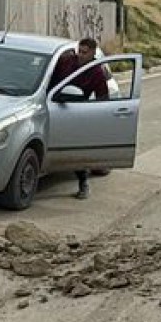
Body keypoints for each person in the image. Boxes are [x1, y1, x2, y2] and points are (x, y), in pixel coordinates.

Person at [49, 37, 112, 200]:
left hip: (77, 109)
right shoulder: (66, 61)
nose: (81, 55)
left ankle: (83, 182)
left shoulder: (97, 71)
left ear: (92, 53)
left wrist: (98, 118)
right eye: (79, 51)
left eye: (85, 53)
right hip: (53, 102)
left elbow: (103, 98)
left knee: (75, 148)